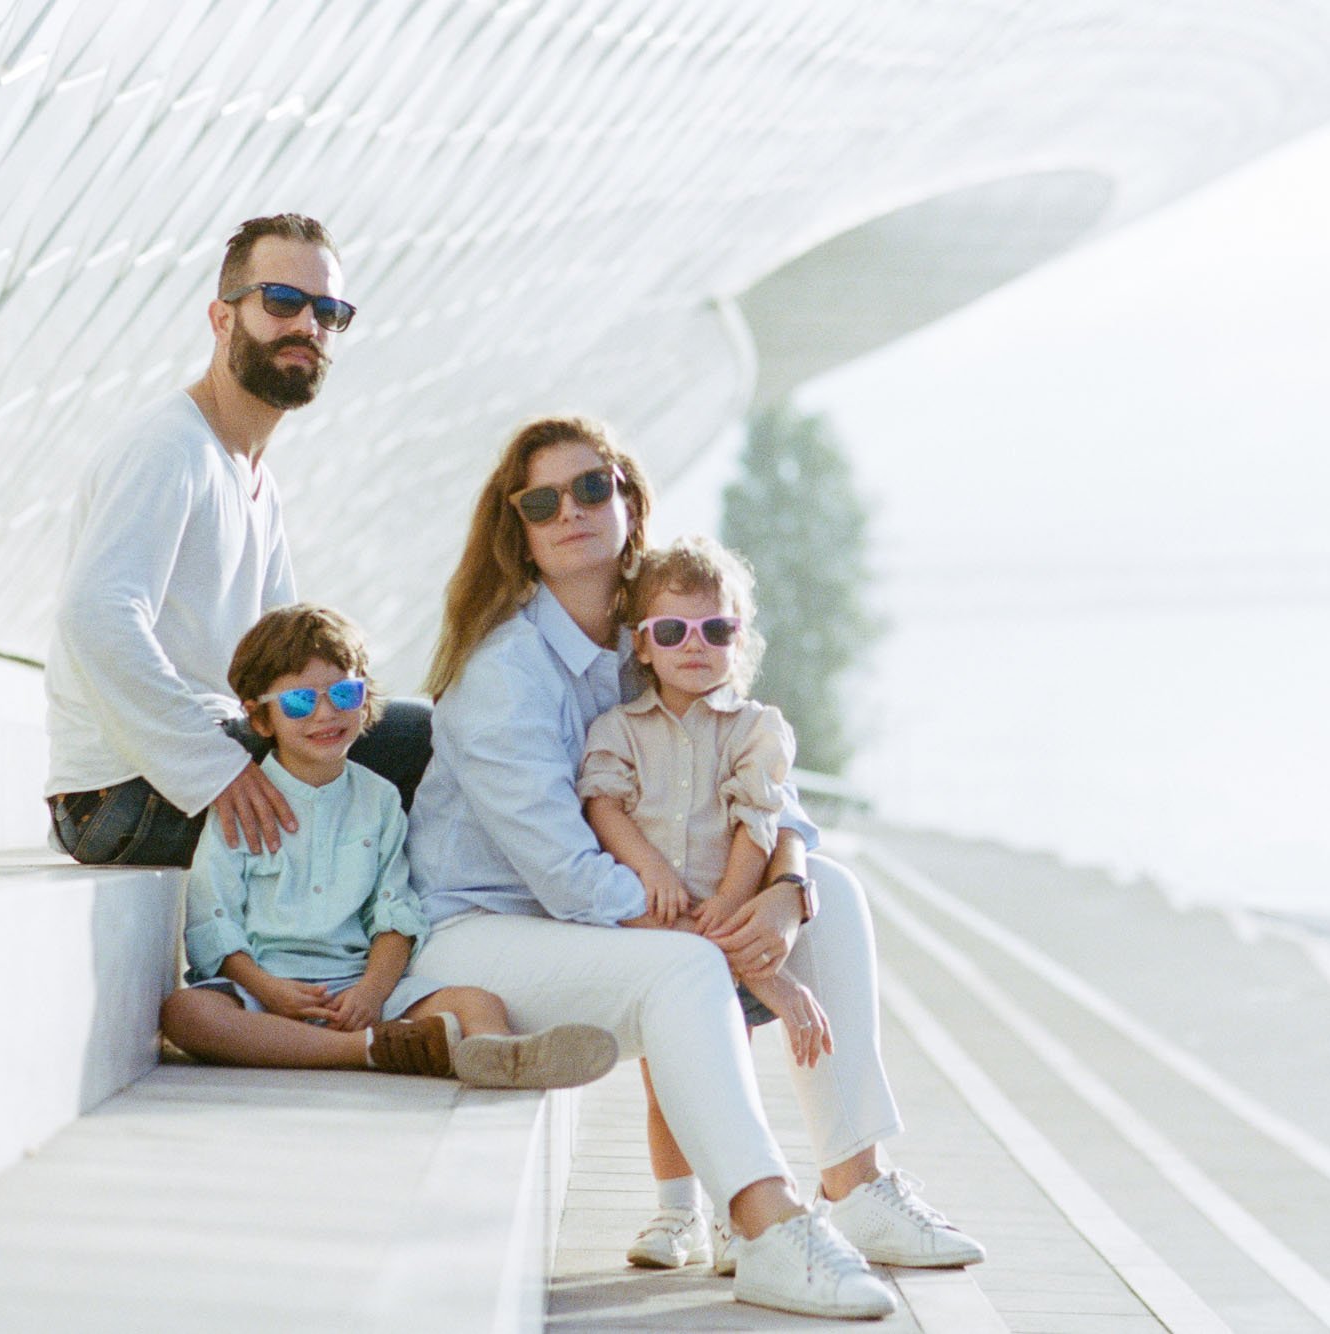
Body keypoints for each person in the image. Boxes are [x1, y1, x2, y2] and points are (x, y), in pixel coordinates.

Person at [407, 416, 984, 1322]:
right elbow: (573, 880)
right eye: (542, 501)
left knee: (838, 894)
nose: (572, 511)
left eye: (593, 487)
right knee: (681, 964)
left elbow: (769, 791)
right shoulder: (505, 675)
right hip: (479, 943)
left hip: (599, 935)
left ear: (629, 501)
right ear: (517, 533)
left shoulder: (657, 637)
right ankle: (767, 1227)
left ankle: (857, 1182)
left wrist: (787, 895)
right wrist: (728, 941)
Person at [44, 213, 429, 870]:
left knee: (422, 736)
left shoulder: (254, 477)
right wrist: (214, 770)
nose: (306, 326)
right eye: (281, 301)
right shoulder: (170, 448)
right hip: (119, 794)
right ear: (222, 319)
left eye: (327, 311)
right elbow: (95, 614)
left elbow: (284, 658)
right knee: (419, 744)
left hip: (191, 764)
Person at [160, 603, 618, 1090]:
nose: (326, 714)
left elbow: (394, 911)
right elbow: (215, 916)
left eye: (344, 693)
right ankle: (370, 1050)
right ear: (261, 718)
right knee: (188, 1014)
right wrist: (265, 988)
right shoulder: (243, 804)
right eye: (298, 702)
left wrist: (371, 993)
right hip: (263, 990)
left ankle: (497, 1053)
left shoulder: (380, 800)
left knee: (479, 1003)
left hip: (357, 987)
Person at [578, 536, 834, 1268]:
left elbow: (759, 818)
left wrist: (727, 901)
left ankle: (732, 1213)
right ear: (643, 645)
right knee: (665, 1079)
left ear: (738, 640)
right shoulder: (618, 729)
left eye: (715, 630)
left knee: (726, 1073)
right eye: (672, 631)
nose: (696, 645)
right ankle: (674, 1213)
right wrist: (649, 865)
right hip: (656, 929)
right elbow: (603, 803)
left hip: (724, 922)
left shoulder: (757, 729)